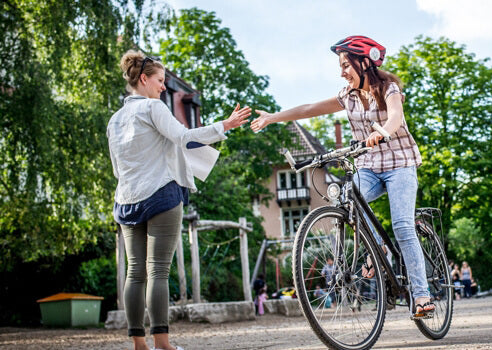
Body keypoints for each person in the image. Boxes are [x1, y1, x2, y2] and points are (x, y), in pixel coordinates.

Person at [250, 35, 434, 317]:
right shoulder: (346, 96)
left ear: (364, 63)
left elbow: (395, 116)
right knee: (347, 197)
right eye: (341, 66)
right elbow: (309, 109)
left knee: (402, 226)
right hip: (370, 166)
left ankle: (421, 296)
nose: (342, 71)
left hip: (400, 164)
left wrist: (382, 131)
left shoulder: (389, 88)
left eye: (347, 65)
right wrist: (272, 117)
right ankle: (380, 249)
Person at [108, 50, 250, 350]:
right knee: (158, 270)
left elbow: (116, 168)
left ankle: (139, 345)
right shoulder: (152, 108)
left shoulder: (115, 121)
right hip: (161, 194)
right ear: (144, 79)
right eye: (160, 81)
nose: (163, 87)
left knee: (135, 273)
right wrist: (225, 125)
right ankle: (162, 344)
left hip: (127, 200)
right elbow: (184, 138)